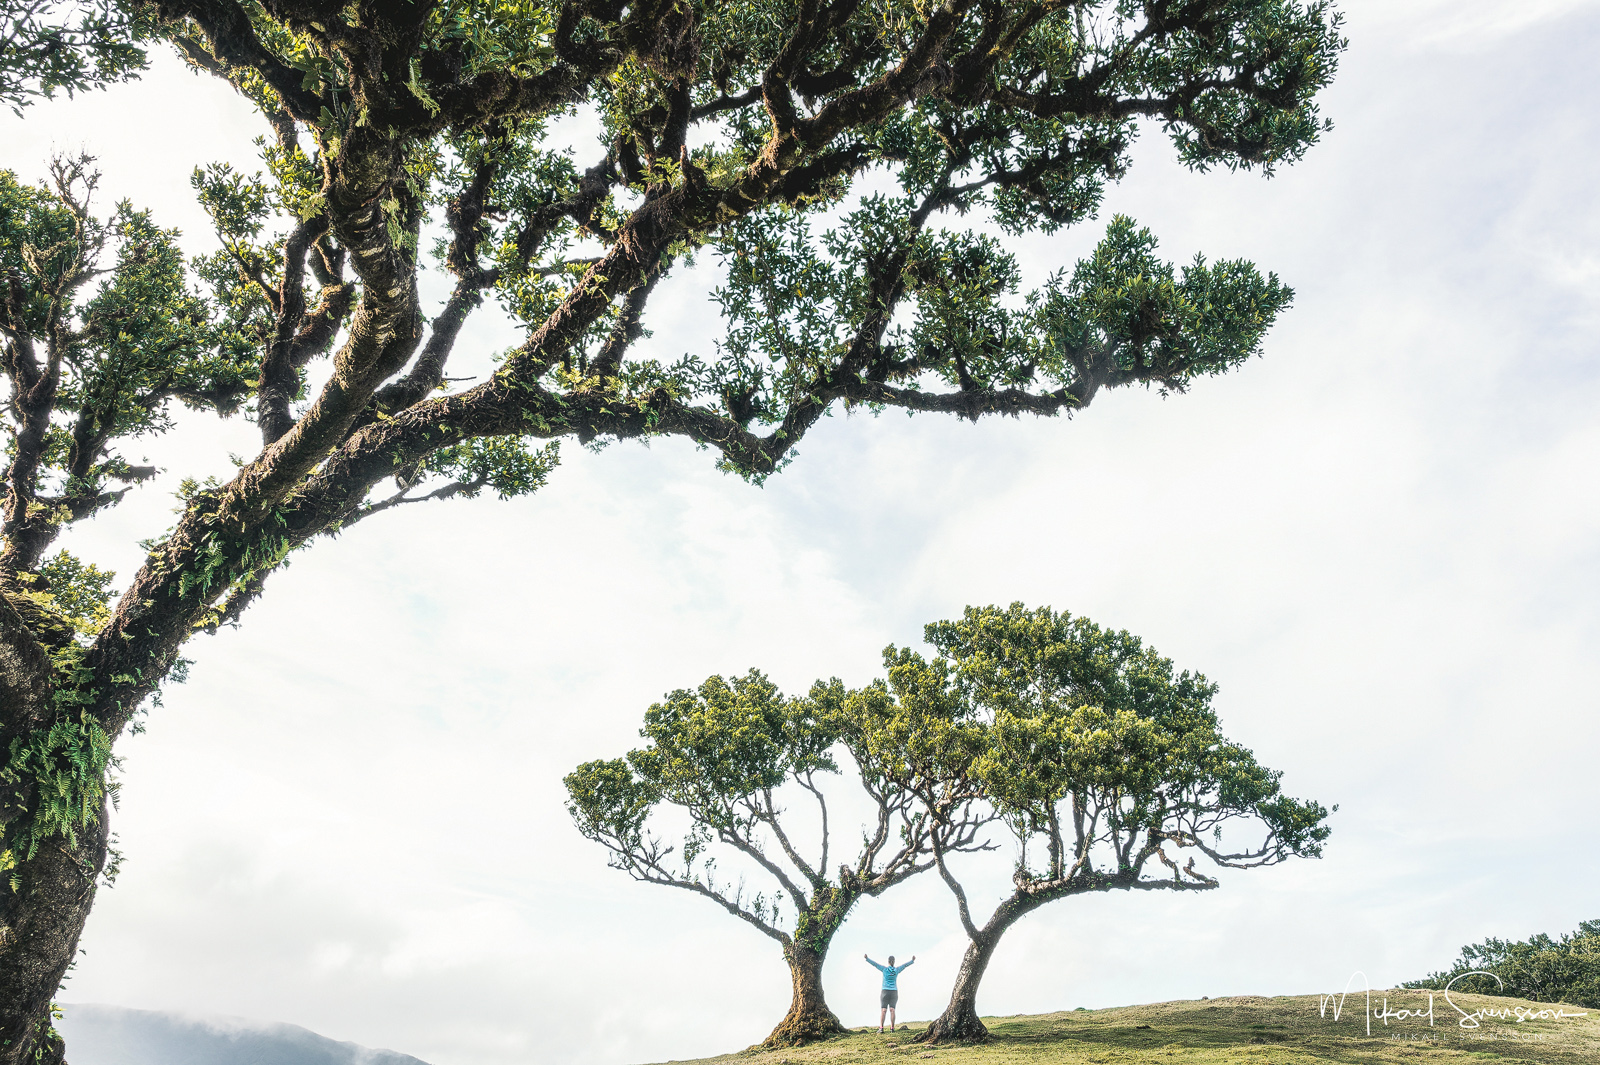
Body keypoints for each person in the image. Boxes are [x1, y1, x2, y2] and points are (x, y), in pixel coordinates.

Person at [864, 953, 915, 1032]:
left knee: (884, 1010)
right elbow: (905, 965)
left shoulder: (884, 969)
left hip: (885, 992)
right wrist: (912, 961)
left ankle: (881, 1028)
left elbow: (875, 964)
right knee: (892, 1010)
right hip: (894, 992)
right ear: (894, 962)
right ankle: (892, 1028)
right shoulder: (897, 970)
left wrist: (867, 959)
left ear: (888, 961)